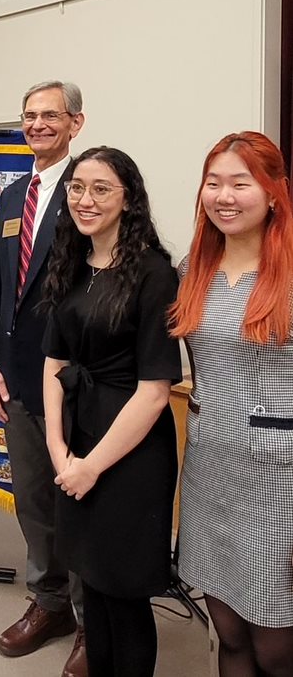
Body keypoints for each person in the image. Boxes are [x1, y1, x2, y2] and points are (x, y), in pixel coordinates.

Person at [41, 147, 180, 677]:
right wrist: (59, 449)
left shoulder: (153, 273)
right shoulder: (72, 261)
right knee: (91, 583)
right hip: (76, 437)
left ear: (128, 198)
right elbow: (54, 362)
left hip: (130, 450)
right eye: (77, 187)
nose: (85, 199)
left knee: (122, 592)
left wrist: (89, 466)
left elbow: (154, 390)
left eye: (101, 188)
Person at [170, 131, 293, 676]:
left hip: (279, 478)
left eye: (241, 183)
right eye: (213, 183)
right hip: (209, 466)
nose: (224, 195)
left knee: (275, 644)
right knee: (229, 634)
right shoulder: (190, 272)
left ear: (273, 193)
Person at [0, 80, 87, 676]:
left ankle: (92, 621)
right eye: (29, 116)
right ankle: (49, 603)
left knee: (81, 501)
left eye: (51, 115)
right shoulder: (13, 194)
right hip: (16, 378)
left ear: (77, 122)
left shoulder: (92, 187)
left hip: (77, 379)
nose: (38, 125)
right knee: (34, 500)